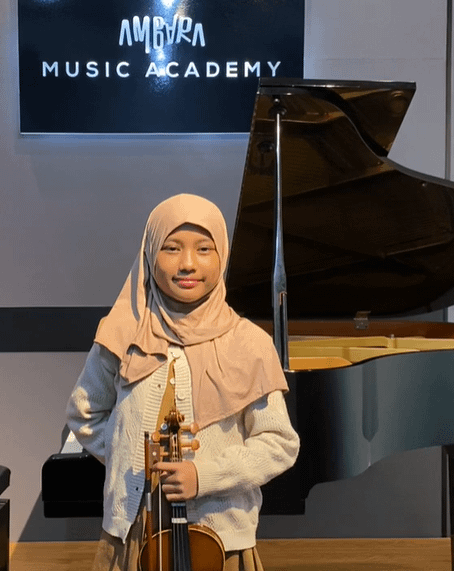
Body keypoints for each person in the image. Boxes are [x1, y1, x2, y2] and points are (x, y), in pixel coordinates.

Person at [66, 193, 300, 571]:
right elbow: (85, 413)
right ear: (149, 254)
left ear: (222, 255)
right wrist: (133, 461)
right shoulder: (120, 334)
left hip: (220, 543)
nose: (188, 263)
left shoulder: (250, 343)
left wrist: (203, 475)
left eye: (204, 249)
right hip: (134, 535)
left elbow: (279, 444)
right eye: (171, 248)